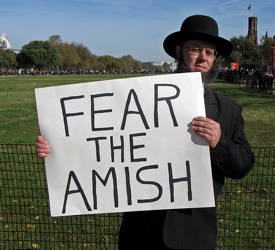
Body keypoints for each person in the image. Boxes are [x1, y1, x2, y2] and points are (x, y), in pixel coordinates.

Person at [36, 14, 255, 250]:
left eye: (209, 52)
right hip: (140, 231)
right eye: (195, 49)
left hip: (192, 234)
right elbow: (101, 138)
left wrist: (218, 143)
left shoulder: (228, 111)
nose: (202, 57)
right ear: (179, 51)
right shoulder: (141, 97)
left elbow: (242, 165)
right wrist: (57, 146)